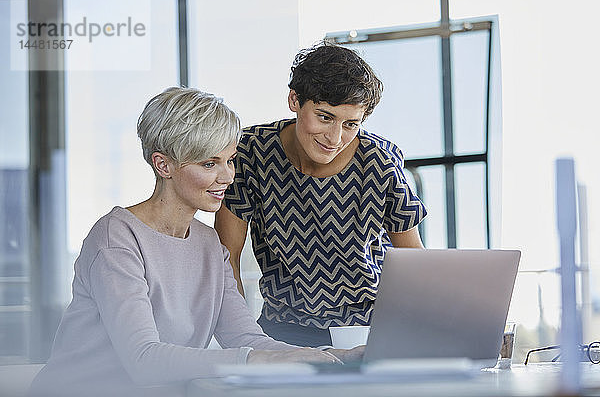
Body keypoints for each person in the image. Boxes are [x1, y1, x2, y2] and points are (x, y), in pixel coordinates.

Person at [29, 87, 354, 397]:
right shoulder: (117, 238)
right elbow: (143, 359)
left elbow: (245, 338)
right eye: (209, 164)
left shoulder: (209, 244)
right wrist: (256, 360)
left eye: (229, 160)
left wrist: (337, 354)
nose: (227, 177)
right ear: (163, 164)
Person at [215, 42, 428, 347]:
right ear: (294, 100)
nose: (335, 138)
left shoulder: (379, 160)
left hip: (369, 327)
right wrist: (241, 339)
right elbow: (227, 258)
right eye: (325, 117)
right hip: (282, 330)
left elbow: (412, 261)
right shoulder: (251, 152)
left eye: (351, 124)